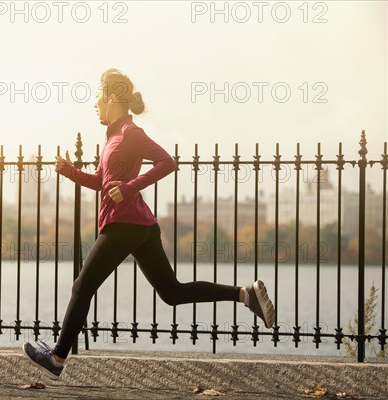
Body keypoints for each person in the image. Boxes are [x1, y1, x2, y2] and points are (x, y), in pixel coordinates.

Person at [23, 68, 275, 380]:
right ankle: (244, 294)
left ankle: (57, 358)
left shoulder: (130, 133)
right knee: (171, 292)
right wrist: (70, 172)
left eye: (98, 98)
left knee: (82, 286)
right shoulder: (114, 136)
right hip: (140, 225)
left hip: (125, 223)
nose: (95, 105)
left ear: (112, 98)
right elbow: (104, 182)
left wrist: (129, 187)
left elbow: (168, 162)